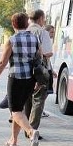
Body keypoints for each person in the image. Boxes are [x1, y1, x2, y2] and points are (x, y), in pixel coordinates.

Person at [0, 12, 40, 146]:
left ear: (13, 24)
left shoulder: (12, 40)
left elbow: (2, 62)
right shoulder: (35, 39)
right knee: (19, 110)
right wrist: (38, 79)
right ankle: (13, 140)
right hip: (30, 78)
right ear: (27, 24)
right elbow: (39, 59)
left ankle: (31, 131)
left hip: (16, 78)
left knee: (15, 111)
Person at [24, 9, 52, 138]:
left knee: (28, 99)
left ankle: (26, 128)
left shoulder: (24, 31)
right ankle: (32, 130)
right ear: (40, 18)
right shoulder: (43, 32)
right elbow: (46, 52)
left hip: (24, 69)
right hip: (39, 70)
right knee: (39, 100)